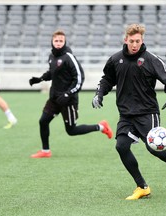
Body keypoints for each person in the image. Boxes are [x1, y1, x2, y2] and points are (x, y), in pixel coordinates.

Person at [92, 24, 166, 200]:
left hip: (148, 112)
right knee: (121, 147)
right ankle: (142, 186)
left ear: (142, 40)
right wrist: (99, 94)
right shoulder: (115, 59)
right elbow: (107, 79)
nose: (134, 44)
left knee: (154, 148)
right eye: (131, 41)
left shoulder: (151, 59)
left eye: (138, 41)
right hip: (126, 114)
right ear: (126, 40)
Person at [29, 30, 113, 158]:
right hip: (54, 98)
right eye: (56, 41)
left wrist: (68, 94)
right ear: (52, 42)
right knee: (43, 121)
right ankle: (45, 151)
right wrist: (39, 79)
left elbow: (79, 78)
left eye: (61, 41)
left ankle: (101, 127)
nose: (58, 43)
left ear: (64, 42)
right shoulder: (51, 56)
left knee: (71, 130)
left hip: (68, 100)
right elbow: (53, 72)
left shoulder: (69, 57)